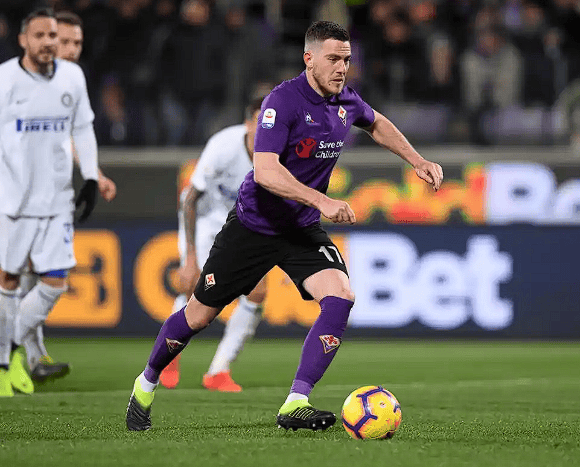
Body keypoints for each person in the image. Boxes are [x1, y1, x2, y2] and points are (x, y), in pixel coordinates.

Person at [125, 20, 443, 431]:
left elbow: (376, 122)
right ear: (309, 58)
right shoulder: (282, 101)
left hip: (300, 230)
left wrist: (417, 160)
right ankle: (146, 383)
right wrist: (322, 200)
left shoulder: (345, 100)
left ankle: (296, 402)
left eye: (346, 60)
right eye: (333, 59)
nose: (341, 68)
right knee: (198, 317)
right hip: (253, 227)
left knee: (341, 296)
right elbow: (265, 172)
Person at [0, 8, 99, 397]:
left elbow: (82, 127)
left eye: (53, 36)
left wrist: (90, 176)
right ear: (23, 40)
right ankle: (14, 361)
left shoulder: (72, 77)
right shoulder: (6, 79)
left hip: (57, 199)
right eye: (40, 36)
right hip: (14, 200)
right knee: (10, 280)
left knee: (55, 281)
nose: (49, 43)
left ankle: (9, 351)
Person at [160, 96, 267, 392]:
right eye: (260, 121)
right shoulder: (224, 146)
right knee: (194, 286)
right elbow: (191, 199)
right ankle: (168, 354)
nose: (266, 128)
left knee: (257, 291)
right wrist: (190, 258)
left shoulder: (279, 152)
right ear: (247, 124)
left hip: (242, 225)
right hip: (207, 218)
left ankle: (218, 371)